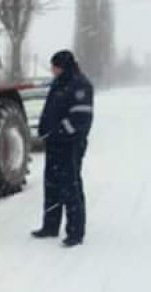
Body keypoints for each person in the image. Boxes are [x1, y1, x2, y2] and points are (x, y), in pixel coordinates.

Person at [32, 50, 94, 247]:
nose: (52, 70)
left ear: (63, 66)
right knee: (52, 186)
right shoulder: (59, 83)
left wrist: (60, 132)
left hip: (70, 145)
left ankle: (75, 232)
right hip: (54, 144)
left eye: (54, 66)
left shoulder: (80, 85)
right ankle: (50, 226)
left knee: (70, 186)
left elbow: (81, 118)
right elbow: (50, 110)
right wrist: (44, 131)